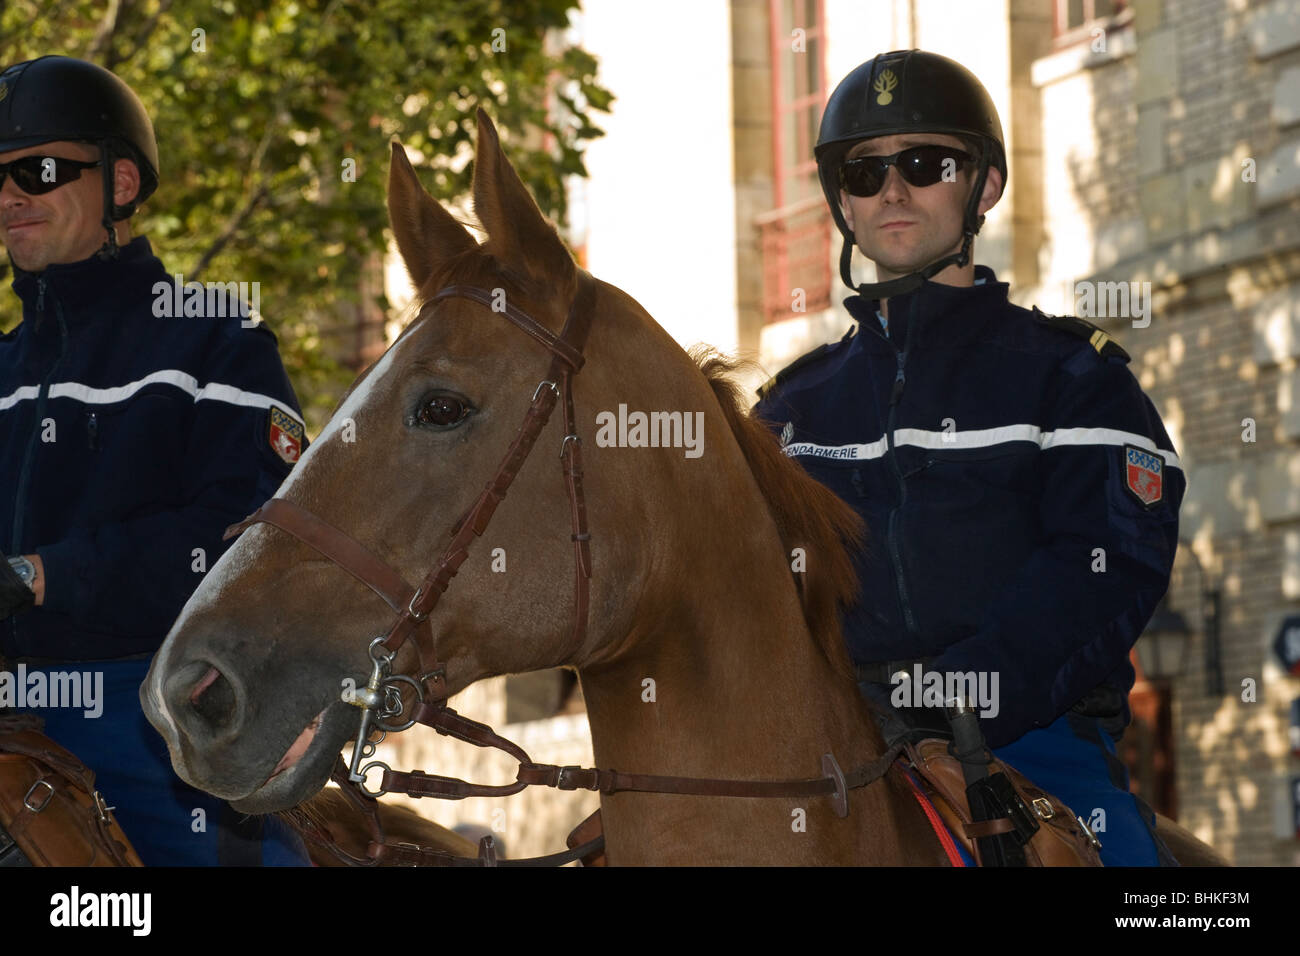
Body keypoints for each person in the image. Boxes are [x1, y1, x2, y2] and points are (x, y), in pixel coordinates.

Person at [755, 49, 1183, 866]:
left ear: (983, 186)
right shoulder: (788, 409)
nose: (892, 189)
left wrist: (956, 694)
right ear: (841, 200)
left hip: (1033, 735)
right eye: (863, 170)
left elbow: (1105, 567)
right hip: (830, 744)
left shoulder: (1076, 377)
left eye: (924, 163)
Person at [0, 55, 310, 864]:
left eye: (36, 170)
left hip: (150, 706)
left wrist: (44, 574)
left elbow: (251, 540)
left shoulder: (215, 336)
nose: (9, 197)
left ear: (122, 184)